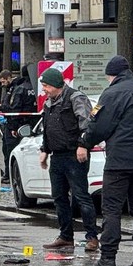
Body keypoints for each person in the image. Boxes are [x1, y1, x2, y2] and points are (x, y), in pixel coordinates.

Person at [83, 56, 133, 266]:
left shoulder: (113, 93)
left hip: (119, 161)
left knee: (112, 209)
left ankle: (107, 259)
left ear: (111, 74)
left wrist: (85, 143)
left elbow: (99, 127)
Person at [38, 67, 99, 252]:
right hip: (57, 157)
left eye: (46, 86)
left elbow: (88, 124)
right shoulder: (49, 103)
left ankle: (92, 237)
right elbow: (48, 128)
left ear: (56, 85)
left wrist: (83, 145)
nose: (44, 90)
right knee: (59, 197)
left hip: (74, 155)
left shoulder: (75, 98)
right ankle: (66, 236)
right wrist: (45, 150)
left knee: (81, 196)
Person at [0, 66, 37, 183]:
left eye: (3, 81)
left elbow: (14, 109)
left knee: (10, 151)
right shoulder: (35, 87)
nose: (2, 85)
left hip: (17, 125)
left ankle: (11, 176)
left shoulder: (19, 89)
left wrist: (1, 107)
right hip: (33, 124)